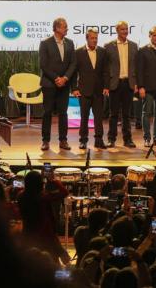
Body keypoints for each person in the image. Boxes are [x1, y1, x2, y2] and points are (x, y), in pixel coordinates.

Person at [39, 18, 77, 151]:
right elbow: (43, 65)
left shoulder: (70, 43)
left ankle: (63, 141)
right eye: (64, 27)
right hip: (49, 84)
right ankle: (45, 141)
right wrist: (57, 78)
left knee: (63, 113)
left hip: (64, 85)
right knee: (47, 112)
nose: (67, 29)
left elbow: (73, 63)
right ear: (57, 28)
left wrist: (65, 78)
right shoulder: (45, 43)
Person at [18, 169, 70, 265]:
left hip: (28, 236)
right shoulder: (43, 198)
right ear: (40, 184)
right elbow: (64, 192)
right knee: (53, 266)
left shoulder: (21, 196)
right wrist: (54, 180)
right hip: (46, 238)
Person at [104, 20, 139, 148]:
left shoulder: (134, 46)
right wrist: (106, 85)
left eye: (126, 29)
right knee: (113, 114)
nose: (125, 31)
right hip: (115, 83)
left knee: (126, 114)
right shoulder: (108, 46)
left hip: (128, 83)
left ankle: (127, 139)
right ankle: (111, 139)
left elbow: (136, 67)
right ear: (117, 31)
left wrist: (136, 83)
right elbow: (106, 69)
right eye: (122, 29)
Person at [73, 28, 108, 150]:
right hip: (84, 91)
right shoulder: (78, 52)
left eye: (96, 38)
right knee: (84, 117)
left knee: (99, 117)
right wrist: (74, 88)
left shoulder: (103, 52)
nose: (94, 40)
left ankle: (99, 140)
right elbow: (74, 72)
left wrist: (106, 87)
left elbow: (105, 71)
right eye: (92, 38)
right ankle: (83, 140)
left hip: (99, 91)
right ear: (87, 38)